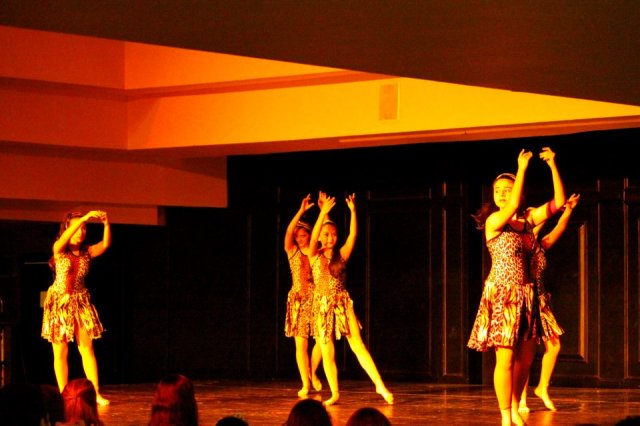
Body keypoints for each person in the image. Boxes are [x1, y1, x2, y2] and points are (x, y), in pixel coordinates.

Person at [467, 147, 566, 426]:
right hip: (502, 294)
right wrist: (521, 169)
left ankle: (514, 405)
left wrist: (552, 165)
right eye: (497, 190)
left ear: (519, 193)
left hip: (527, 294)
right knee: (506, 359)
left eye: (507, 190)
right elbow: (509, 208)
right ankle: (505, 416)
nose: (501, 194)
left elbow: (558, 202)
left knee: (525, 360)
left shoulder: (527, 222)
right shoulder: (494, 221)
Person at [309, 193, 393, 406]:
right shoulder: (314, 255)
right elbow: (314, 236)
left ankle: (379, 384)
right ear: (320, 237)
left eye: (334, 234)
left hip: (341, 303)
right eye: (326, 235)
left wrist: (353, 212)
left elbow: (353, 235)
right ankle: (335, 392)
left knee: (358, 345)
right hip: (322, 305)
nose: (330, 238)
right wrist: (323, 213)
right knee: (327, 351)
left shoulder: (342, 255)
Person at [41, 210, 112, 406]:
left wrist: (106, 224)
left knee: (87, 348)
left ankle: (95, 393)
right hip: (59, 302)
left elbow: (105, 244)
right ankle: (63, 394)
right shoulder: (59, 249)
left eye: (84, 228)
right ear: (68, 229)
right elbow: (64, 238)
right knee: (60, 351)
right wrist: (83, 218)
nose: (81, 231)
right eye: (77, 228)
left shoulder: (87, 252)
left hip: (80, 302)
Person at [519, 192, 581, 413]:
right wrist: (542, 216)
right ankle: (521, 398)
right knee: (524, 354)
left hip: (541, 301)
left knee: (554, 346)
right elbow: (534, 225)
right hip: (524, 300)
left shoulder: (541, 245)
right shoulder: (519, 245)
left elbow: (559, 229)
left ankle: (542, 387)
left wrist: (568, 210)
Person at [284, 194, 323, 397]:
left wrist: (323, 212)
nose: (299, 239)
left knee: (321, 341)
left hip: (316, 300)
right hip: (299, 300)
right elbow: (288, 232)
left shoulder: (317, 252)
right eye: (297, 236)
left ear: (309, 235)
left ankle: (312, 371)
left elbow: (321, 235)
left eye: (303, 236)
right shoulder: (292, 251)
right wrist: (300, 211)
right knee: (301, 344)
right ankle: (305, 384)